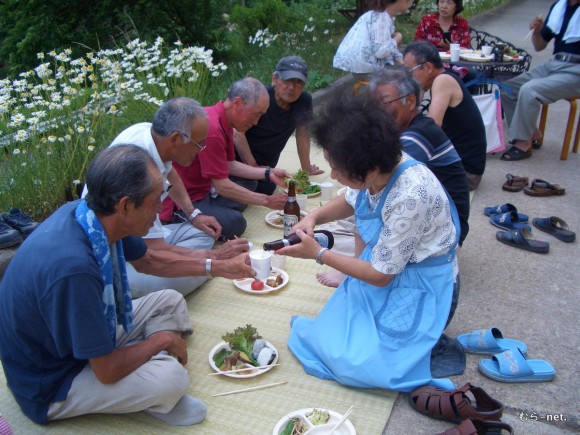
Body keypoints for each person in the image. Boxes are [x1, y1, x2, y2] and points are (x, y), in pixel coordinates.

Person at [0, 145, 233, 426]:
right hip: (52, 379)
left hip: (79, 339)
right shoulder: (74, 268)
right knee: (171, 380)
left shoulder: (89, 213)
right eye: (155, 200)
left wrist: (215, 261)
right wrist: (160, 340)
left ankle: (143, 370)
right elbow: (107, 371)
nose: (161, 209)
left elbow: (149, 260)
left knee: (170, 299)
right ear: (125, 205)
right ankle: (153, 382)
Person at [278, 93, 458, 393]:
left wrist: (320, 253)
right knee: (326, 338)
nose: (333, 176)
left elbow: (380, 276)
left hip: (421, 284)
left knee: (356, 365)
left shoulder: (411, 194)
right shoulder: (380, 168)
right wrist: (313, 219)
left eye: (338, 170)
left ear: (370, 170)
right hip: (389, 268)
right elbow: (350, 200)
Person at [86, 97, 251, 297]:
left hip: (135, 243)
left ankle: (196, 264)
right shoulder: (141, 168)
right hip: (116, 260)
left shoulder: (150, 135)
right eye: (198, 145)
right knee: (173, 290)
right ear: (175, 139)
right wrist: (215, 261)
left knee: (203, 233)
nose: (201, 151)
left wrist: (193, 214)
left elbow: (171, 172)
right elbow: (151, 255)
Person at [160, 78, 288, 239]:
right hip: (184, 202)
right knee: (237, 223)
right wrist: (266, 201)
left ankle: (218, 209)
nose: (256, 122)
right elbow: (222, 186)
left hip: (206, 190)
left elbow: (230, 165)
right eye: (256, 115)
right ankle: (188, 219)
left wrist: (268, 172)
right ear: (237, 103)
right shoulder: (212, 128)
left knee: (253, 183)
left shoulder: (224, 120)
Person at [500, 0, 580, 161]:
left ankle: (523, 143)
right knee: (508, 88)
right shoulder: (559, 7)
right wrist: (537, 32)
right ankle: (531, 132)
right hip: (555, 63)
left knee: (530, 90)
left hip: (576, 71)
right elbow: (540, 46)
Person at [233, 56, 323, 196]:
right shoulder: (260, 97)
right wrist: (254, 167)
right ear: (275, 79)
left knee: (267, 188)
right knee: (248, 189)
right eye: (287, 80)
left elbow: (303, 133)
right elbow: (237, 132)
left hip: (267, 166)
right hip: (238, 161)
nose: (292, 87)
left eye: (298, 82)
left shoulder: (304, 101)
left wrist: (306, 168)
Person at [404, 41, 487, 190]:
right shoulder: (439, 80)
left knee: (398, 174)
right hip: (462, 167)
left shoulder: (443, 81)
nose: (408, 77)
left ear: (428, 67)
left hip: (464, 174)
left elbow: (433, 125)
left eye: (410, 71)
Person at [333, 0, 413, 82]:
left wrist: (401, 61)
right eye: (411, 1)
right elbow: (381, 52)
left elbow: (387, 46)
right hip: (367, 70)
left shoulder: (378, 15)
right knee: (403, 80)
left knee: (402, 71)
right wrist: (398, 38)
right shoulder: (382, 19)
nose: (411, 4)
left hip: (360, 69)